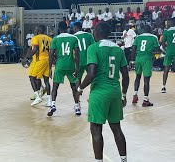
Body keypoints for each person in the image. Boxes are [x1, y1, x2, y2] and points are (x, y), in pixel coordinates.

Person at [76, 22, 129, 162]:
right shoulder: (118, 50)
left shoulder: (93, 48)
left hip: (99, 93)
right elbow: (126, 76)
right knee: (116, 128)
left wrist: (80, 88)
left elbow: (92, 73)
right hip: (115, 92)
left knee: (96, 129)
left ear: (97, 33)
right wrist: (123, 94)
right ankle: (124, 159)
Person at [47, 21, 81, 116]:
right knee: (74, 86)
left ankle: (53, 104)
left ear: (59, 29)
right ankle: (77, 106)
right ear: (67, 27)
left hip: (60, 65)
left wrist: (49, 68)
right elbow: (77, 54)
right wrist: (77, 67)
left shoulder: (55, 39)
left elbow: (51, 55)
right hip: (71, 65)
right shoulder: (74, 38)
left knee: (55, 86)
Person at [130, 25, 160, 107]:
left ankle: (135, 95)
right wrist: (156, 53)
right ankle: (145, 100)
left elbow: (133, 49)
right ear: (150, 30)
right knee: (146, 80)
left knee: (137, 77)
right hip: (147, 59)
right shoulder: (153, 37)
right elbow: (158, 49)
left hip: (138, 58)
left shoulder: (138, 37)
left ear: (143, 30)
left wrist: (132, 60)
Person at [23, 25, 52, 106]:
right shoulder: (49, 39)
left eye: (36, 29)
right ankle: (49, 100)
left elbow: (35, 49)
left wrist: (27, 58)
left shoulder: (35, 38)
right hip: (47, 60)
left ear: (39, 30)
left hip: (39, 60)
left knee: (31, 77)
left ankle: (37, 97)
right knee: (46, 80)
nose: (34, 31)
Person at [161, 18, 175, 93]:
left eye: (168, 23)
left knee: (166, 69)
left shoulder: (166, 31)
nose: (167, 24)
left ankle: (163, 87)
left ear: (172, 23)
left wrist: (166, 51)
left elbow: (163, 45)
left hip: (169, 51)